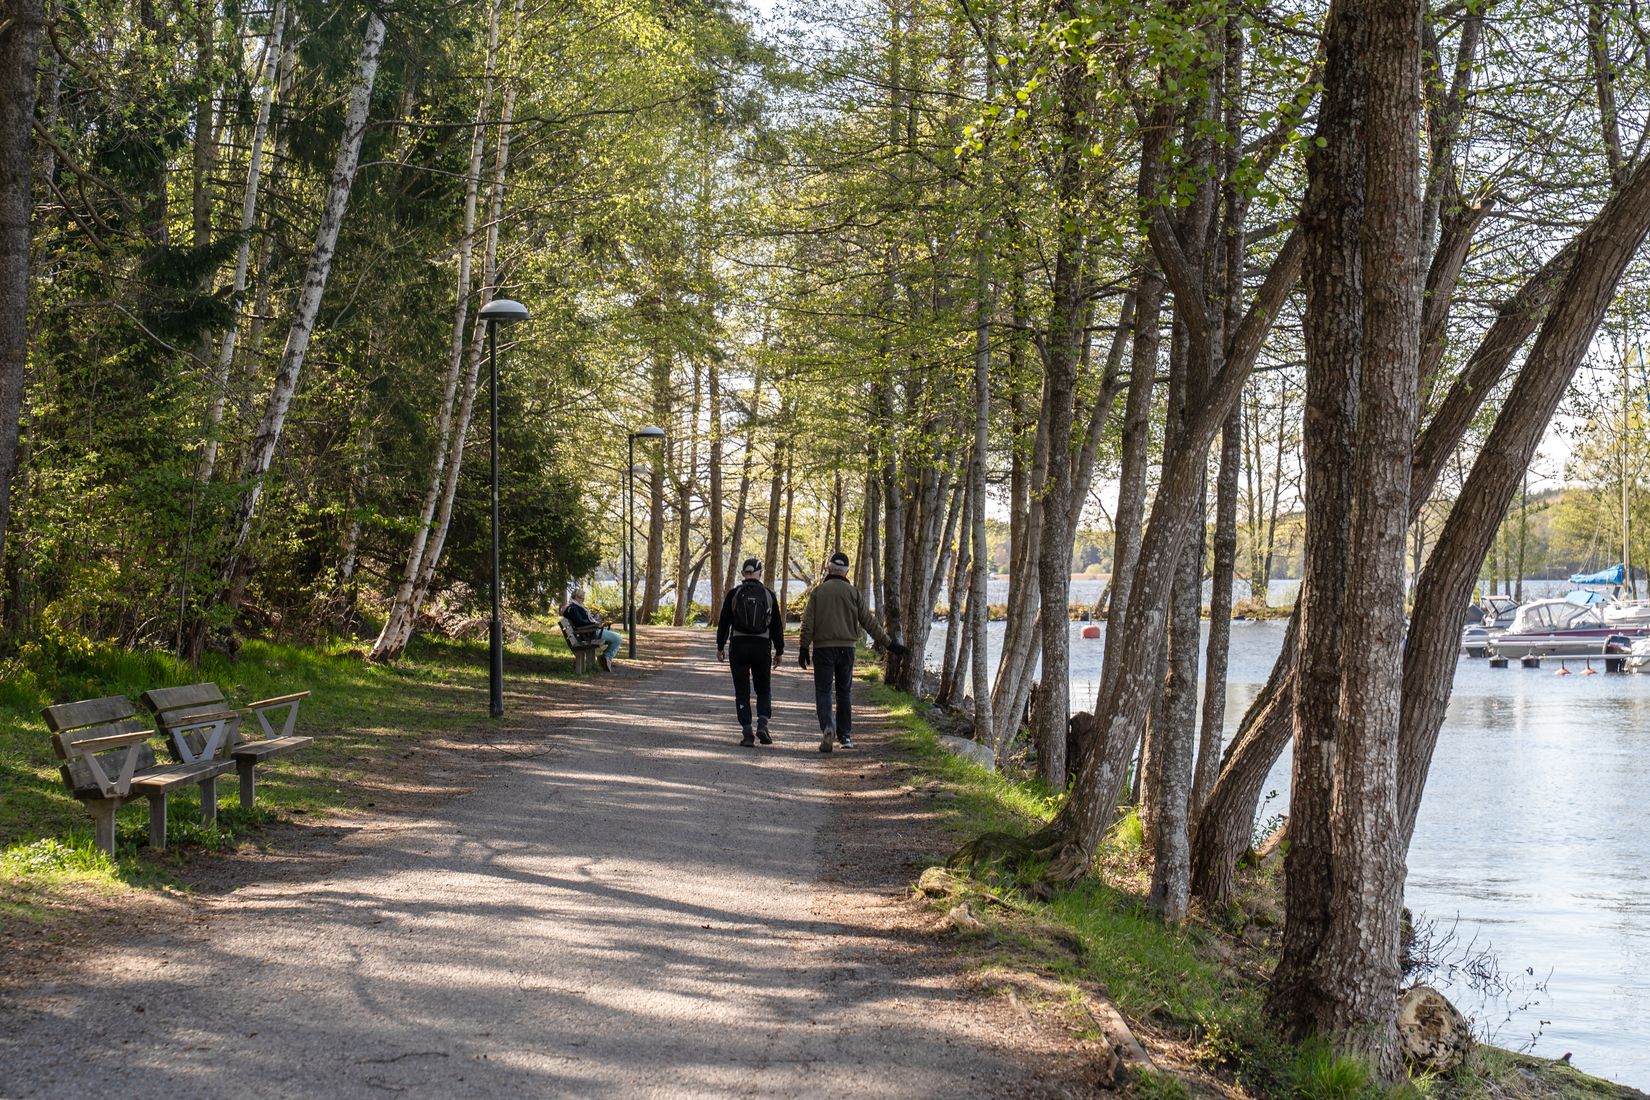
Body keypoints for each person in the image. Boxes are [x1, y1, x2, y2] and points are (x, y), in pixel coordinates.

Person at [798, 551, 906, 752]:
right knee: (844, 692)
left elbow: (808, 623)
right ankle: (845, 736)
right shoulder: (853, 593)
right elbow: (869, 623)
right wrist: (890, 644)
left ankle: (828, 727)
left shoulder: (818, 592)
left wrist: (804, 647)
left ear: (828, 568)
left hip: (823, 649)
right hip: (847, 649)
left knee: (823, 691)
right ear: (847, 571)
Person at [717, 558, 784, 747]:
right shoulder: (768, 595)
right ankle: (762, 722)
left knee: (742, 690)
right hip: (761, 646)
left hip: (738, 645)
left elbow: (724, 622)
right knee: (763, 688)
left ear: (743, 574)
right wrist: (779, 650)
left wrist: (720, 646)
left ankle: (747, 731)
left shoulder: (734, 594)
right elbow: (777, 625)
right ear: (759, 573)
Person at [563, 587, 622, 672]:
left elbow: (582, 620)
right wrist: (595, 624)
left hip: (589, 632)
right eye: (581, 598)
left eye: (583, 598)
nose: (582, 600)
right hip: (589, 633)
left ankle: (605, 657)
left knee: (617, 637)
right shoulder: (573, 608)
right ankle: (606, 656)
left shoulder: (574, 607)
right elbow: (580, 623)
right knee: (618, 638)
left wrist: (594, 620)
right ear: (575, 597)